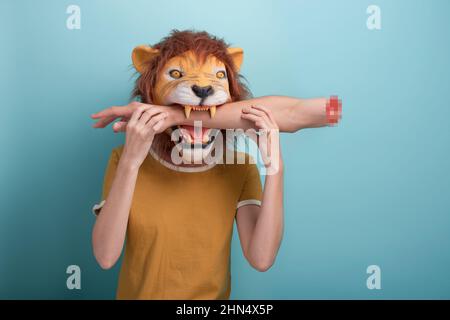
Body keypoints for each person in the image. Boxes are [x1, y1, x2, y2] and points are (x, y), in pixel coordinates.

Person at [90, 30, 340, 299]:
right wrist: (130, 161)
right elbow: (105, 256)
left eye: (218, 75)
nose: (202, 86)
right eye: (176, 74)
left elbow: (262, 258)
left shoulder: (239, 167)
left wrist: (274, 166)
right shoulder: (122, 159)